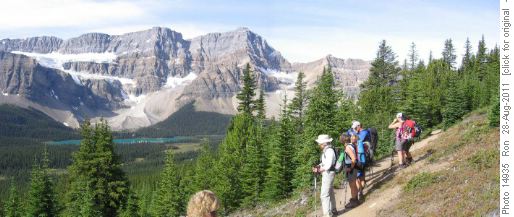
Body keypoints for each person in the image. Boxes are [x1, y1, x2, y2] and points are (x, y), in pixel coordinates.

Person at [312, 134, 337, 217]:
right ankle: (333, 210)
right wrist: (318, 166)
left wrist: (319, 170)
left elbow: (328, 165)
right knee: (330, 192)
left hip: (328, 174)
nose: (319, 145)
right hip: (328, 173)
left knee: (324, 195)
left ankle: (327, 214)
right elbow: (324, 162)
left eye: (320, 143)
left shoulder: (329, 151)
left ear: (324, 143)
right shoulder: (327, 150)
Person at [338, 134, 360, 208]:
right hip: (353, 167)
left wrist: (350, 168)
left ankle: (354, 201)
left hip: (351, 167)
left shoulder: (347, 147)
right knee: (353, 185)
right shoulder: (351, 145)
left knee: (352, 185)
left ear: (343, 140)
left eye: (340, 139)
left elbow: (353, 159)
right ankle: (356, 199)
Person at [346, 121, 368, 199]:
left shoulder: (351, 145)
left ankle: (359, 192)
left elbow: (353, 158)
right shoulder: (360, 142)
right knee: (362, 177)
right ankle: (361, 191)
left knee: (356, 178)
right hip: (363, 161)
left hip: (356, 163)